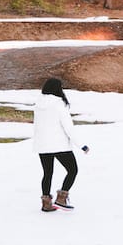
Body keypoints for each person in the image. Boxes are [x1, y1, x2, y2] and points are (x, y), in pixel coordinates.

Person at [34, 77, 89, 212]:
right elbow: (68, 128)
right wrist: (81, 145)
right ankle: (61, 198)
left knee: (47, 173)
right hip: (59, 144)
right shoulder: (59, 104)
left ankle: (46, 204)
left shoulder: (38, 104)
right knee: (72, 170)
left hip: (42, 145)